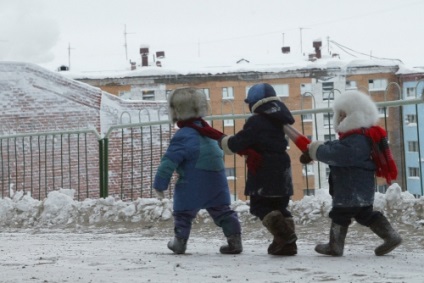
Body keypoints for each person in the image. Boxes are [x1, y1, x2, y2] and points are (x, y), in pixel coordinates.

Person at [300, 90, 402, 256]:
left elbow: (338, 154)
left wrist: (317, 151)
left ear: (354, 116)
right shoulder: (358, 137)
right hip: (359, 187)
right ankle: (391, 236)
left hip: (351, 188)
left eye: (343, 115)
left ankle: (335, 246)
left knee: (340, 214)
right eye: (339, 115)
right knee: (365, 214)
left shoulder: (357, 139)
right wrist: (317, 147)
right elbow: (335, 147)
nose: (339, 119)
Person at [153, 87, 243, 255]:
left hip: (193, 183)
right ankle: (235, 240)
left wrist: (160, 184)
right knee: (223, 212)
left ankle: (180, 242)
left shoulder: (183, 135)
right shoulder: (209, 132)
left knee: (183, 214)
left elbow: (169, 162)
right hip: (217, 181)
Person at [219, 83, 298, 256]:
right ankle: (286, 245)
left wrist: (225, 142)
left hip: (264, 167)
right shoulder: (280, 119)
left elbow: (241, 141)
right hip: (282, 165)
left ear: (255, 103)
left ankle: (286, 236)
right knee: (280, 205)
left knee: (260, 205)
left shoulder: (256, 121)